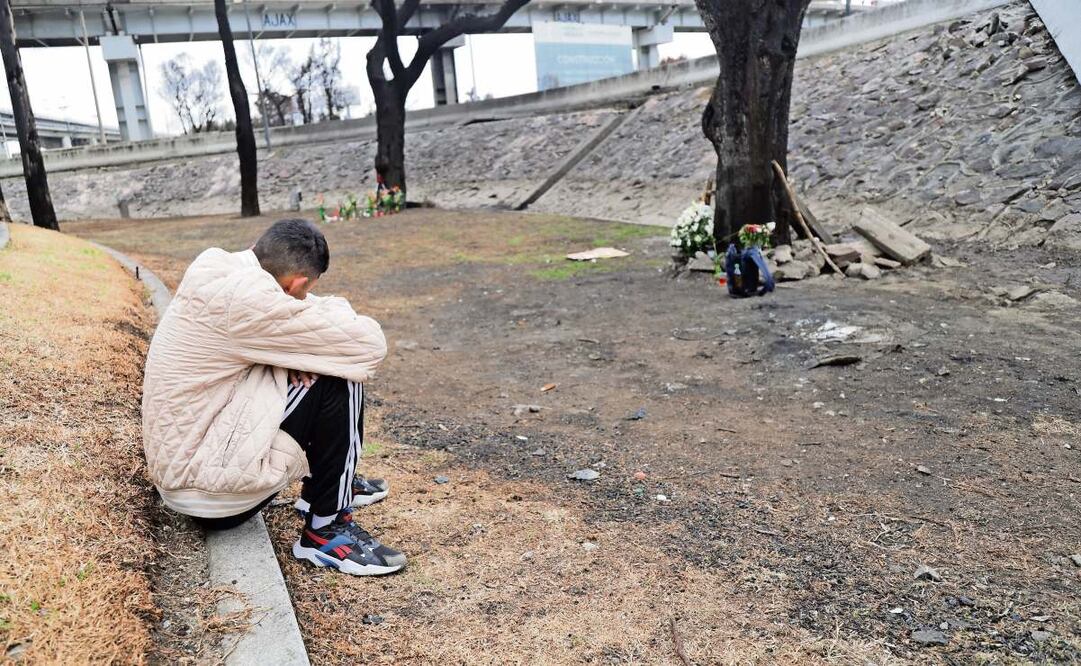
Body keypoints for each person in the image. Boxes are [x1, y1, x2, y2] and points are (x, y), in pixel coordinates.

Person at [141, 218, 406, 576]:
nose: (304, 298)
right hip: (209, 493)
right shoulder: (251, 300)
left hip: (186, 468)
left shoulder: (216, 265)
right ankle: (325, 530)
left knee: (311, 357)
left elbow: (277, 323)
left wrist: (289, 353)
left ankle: (324, 485)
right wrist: (303, 349)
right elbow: (369, 345)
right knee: (338, 375)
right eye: (304, 291)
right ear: (296, 282)